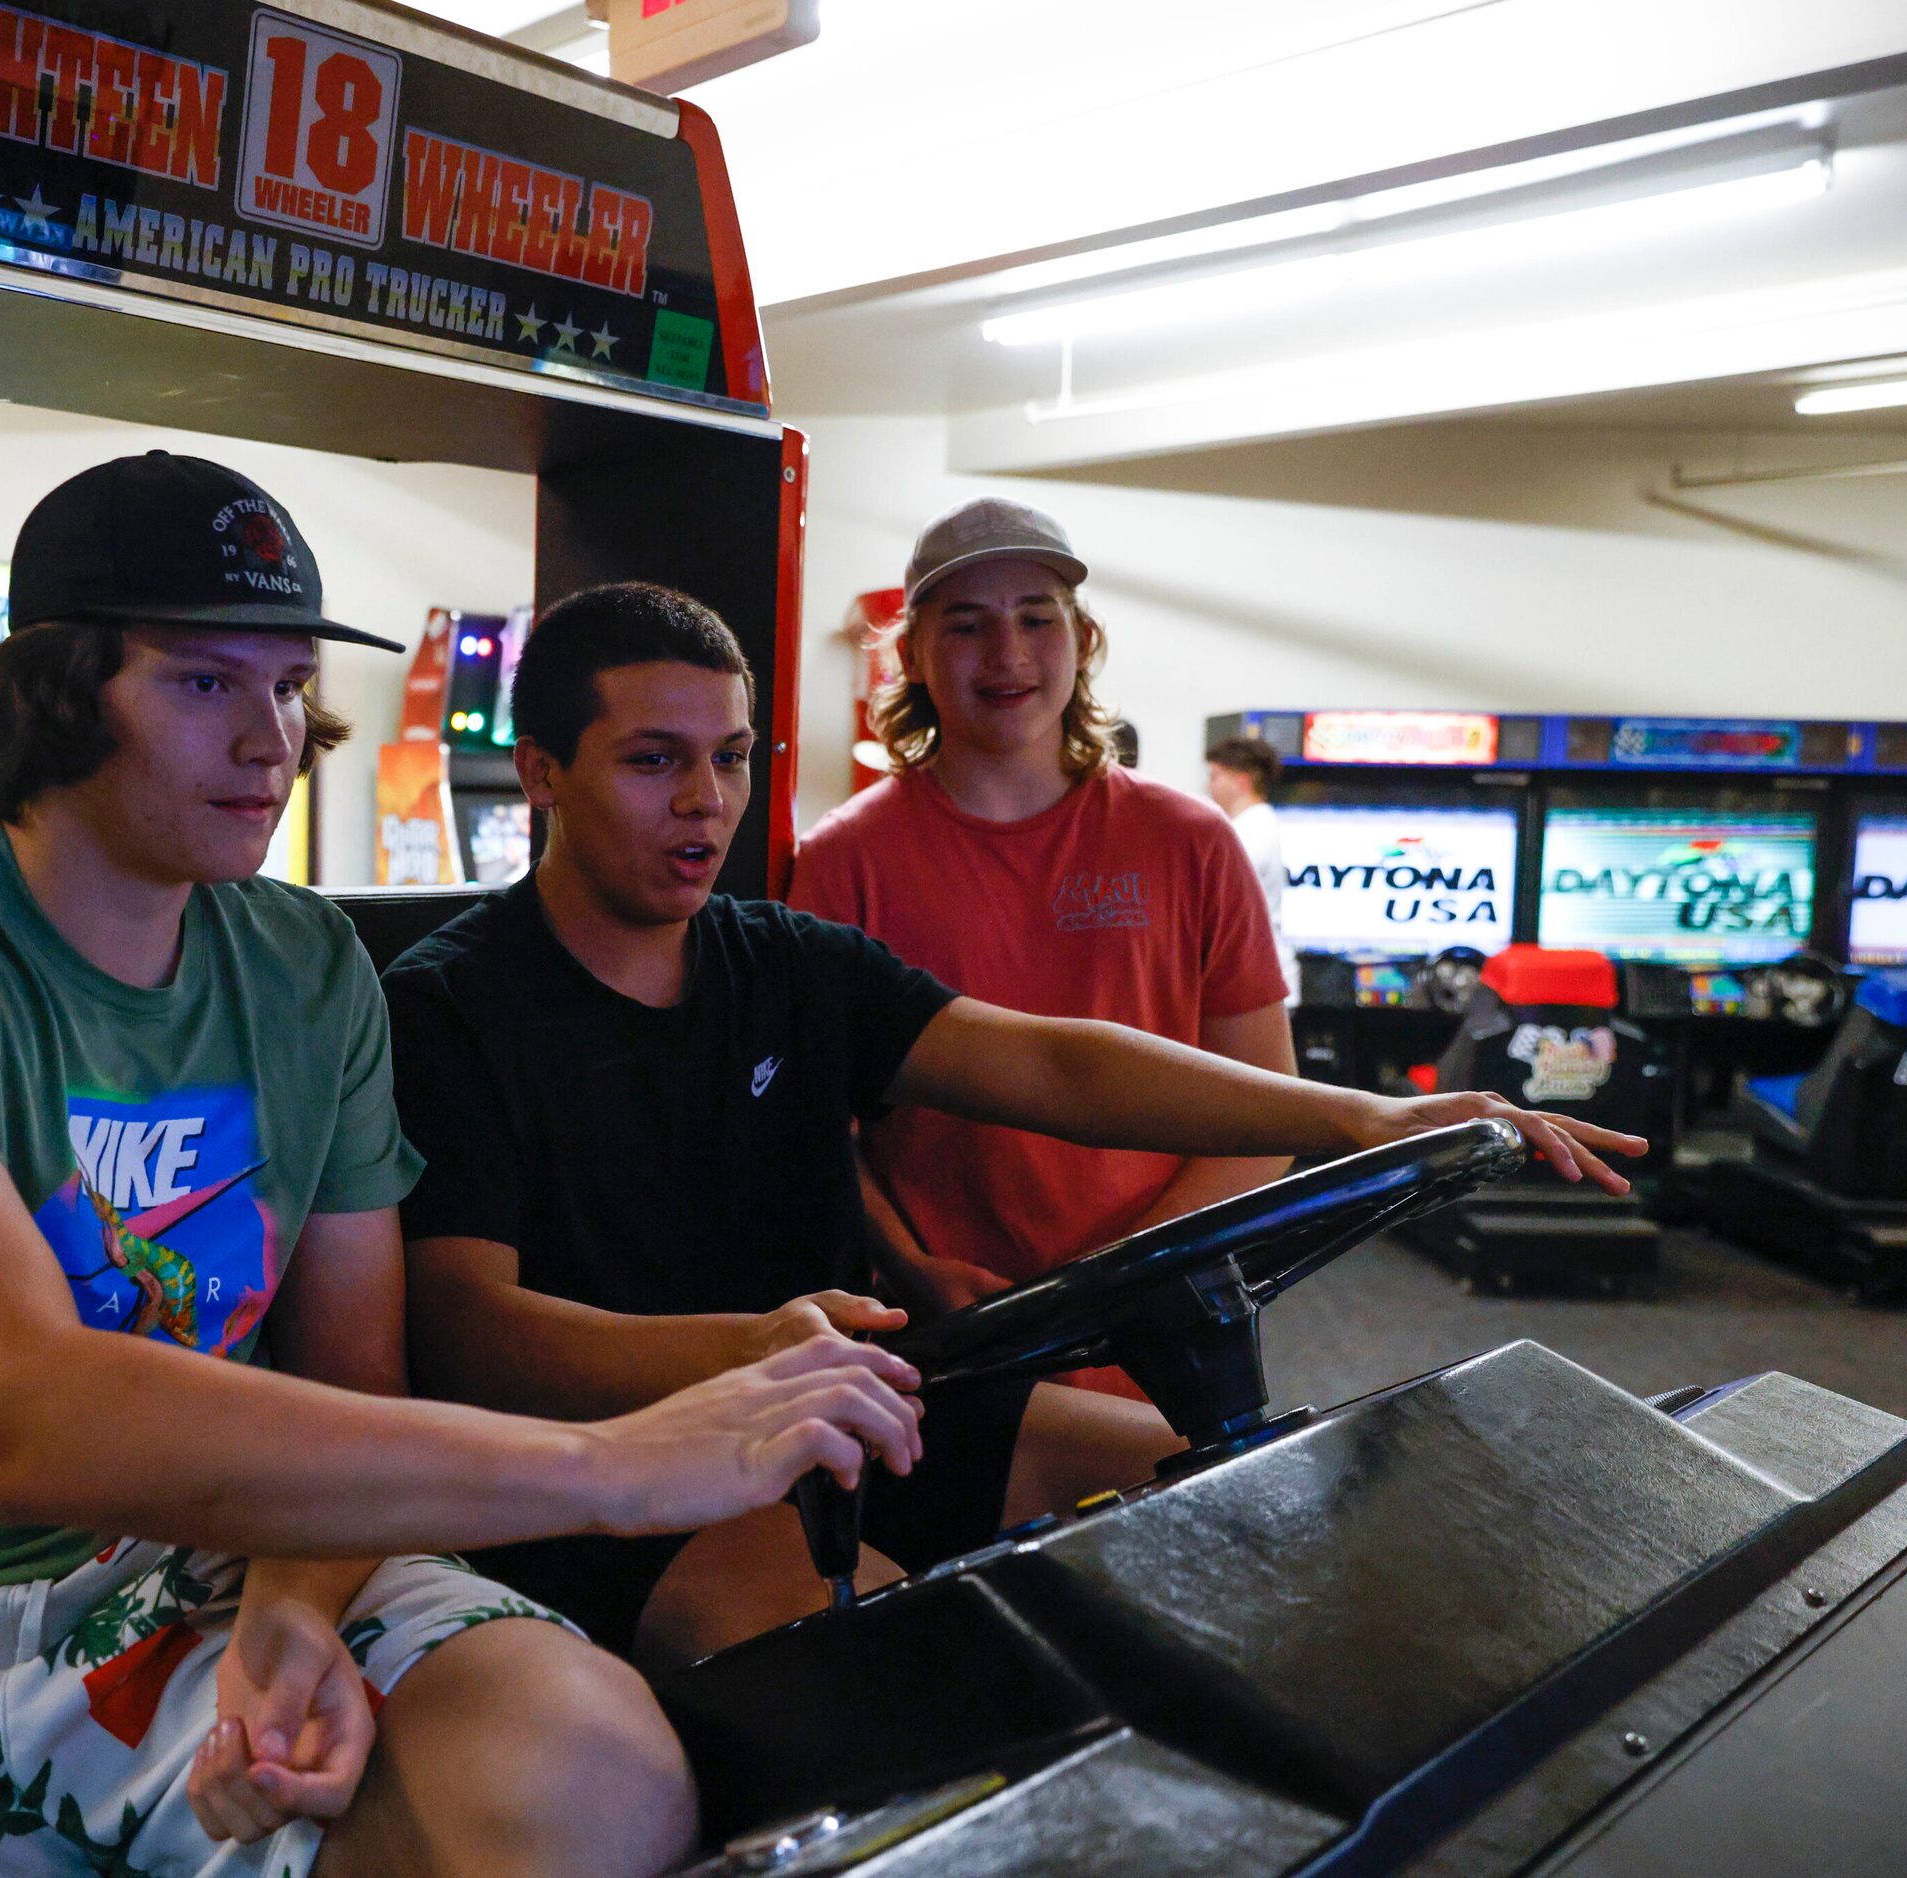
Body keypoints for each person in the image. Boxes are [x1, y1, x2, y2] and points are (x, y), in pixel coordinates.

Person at [0, 457, 926, 1878]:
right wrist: (613, 1466)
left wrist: (301, 1598)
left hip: (212, 1574)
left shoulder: (308, 964)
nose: (272, 740)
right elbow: (19, 1415)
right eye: (204, 685)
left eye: (291, 686)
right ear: (56, 695)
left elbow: (347, 1376)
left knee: (594, 1775)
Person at [386, 582, 1641, 1669]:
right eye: (653, 760)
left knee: (1227, 1501)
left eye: (730, 758)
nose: (704, 803)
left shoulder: (785, 962)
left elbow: (1054, 1064)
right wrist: (753, 1348)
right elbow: (465, 1335)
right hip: (622, 1468)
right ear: (542, 771)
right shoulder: (450, 1007)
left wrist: (1364, 1113)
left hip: (851, 1408)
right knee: (907, 1672)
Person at [790, 501, 1295, 1376]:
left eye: (1036, 617)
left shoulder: (1191, 841)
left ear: (1082, 637)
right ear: (910, 653)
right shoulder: (844, 858)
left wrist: (1118, 1278)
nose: (1009, 654)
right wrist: (915, 1267)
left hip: (1165, 1322)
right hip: (949, 1336)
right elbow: (812, 1126)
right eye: (968, 624)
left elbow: (1263, 1113)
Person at [1207, 733, 1296, 999]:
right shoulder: (1254, 824)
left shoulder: (1251, 830)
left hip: (1258, 978)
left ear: (1241, 782)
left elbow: (1219, 894)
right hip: (1259, 973)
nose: (1208, 786)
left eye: (1215, 777)